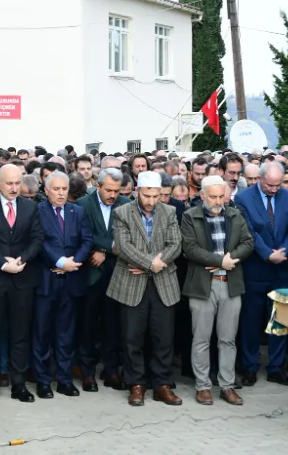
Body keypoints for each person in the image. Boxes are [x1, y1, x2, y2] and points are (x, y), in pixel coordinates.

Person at [106, 171, 183, 408]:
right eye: (147, 195)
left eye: (155, 196)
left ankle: (162, 384)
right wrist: (151, 263)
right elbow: (123, 247)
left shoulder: (169, 212)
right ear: (137, 191)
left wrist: (152, 266)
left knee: (163, 337)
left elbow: (175, 244)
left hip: (163, 283)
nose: (151, 201)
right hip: (131, 283)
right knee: (132, 337)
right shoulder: (122, 212)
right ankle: (136, 384)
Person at [180, 176, 254, 406]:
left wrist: (230, 259)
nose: (218, 201)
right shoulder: (189, 216)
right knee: (201, 338)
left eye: (221, 196)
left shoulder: (234, 214)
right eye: (213, 196)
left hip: (230, 284)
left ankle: (227, 386)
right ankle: (203, 387)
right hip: (203, 284)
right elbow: (190, 248)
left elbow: (248, 243)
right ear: (202, 195)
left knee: (228, 339)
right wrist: (221, 261)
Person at [0, 164, 45, 406]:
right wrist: (2, 264)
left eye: (18, 183)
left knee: (20, 335)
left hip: (22, 279)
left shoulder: (31, 207)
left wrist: (23, 259)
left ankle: (19, 385)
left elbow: (38, 238)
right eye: (9, 183)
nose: (15, 188)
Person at [233, 162, 288, 387]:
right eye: (270, 185)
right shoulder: (243, 198)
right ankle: (249, 367)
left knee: (279, 319)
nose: (274, 189)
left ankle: (276, 367)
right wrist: (267, 254)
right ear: (260, 179)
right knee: (251, 320)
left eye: (278, 185)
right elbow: (248, 231)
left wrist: (284, 252)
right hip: (255, 268)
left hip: (282, 268)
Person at [32, 171, 93, 399]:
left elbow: (87, 240)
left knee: (66, 335)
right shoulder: (37, 211)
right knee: (42, 334)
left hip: (72, 281)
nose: (60, 193)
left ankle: (65, 380)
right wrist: (59, 261)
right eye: (55, 189)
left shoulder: (78, 211)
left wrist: (73, 263)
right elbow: (39, 240)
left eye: (64, 189)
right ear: (46, 190)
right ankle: (43, 381)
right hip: (46, 282)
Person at [77, 168, 131, 392]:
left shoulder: (126, 204)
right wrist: (107, 247)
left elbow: (126, 237)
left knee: (113, 325)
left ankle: (111, 370)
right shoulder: (82, 204)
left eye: (116, 191)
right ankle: (87, 372)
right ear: (97, 186)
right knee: (87, 324)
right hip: (91, 274)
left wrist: (105, 250)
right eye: (108, 190)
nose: (112, 195)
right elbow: (83, 235)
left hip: (117, 273)